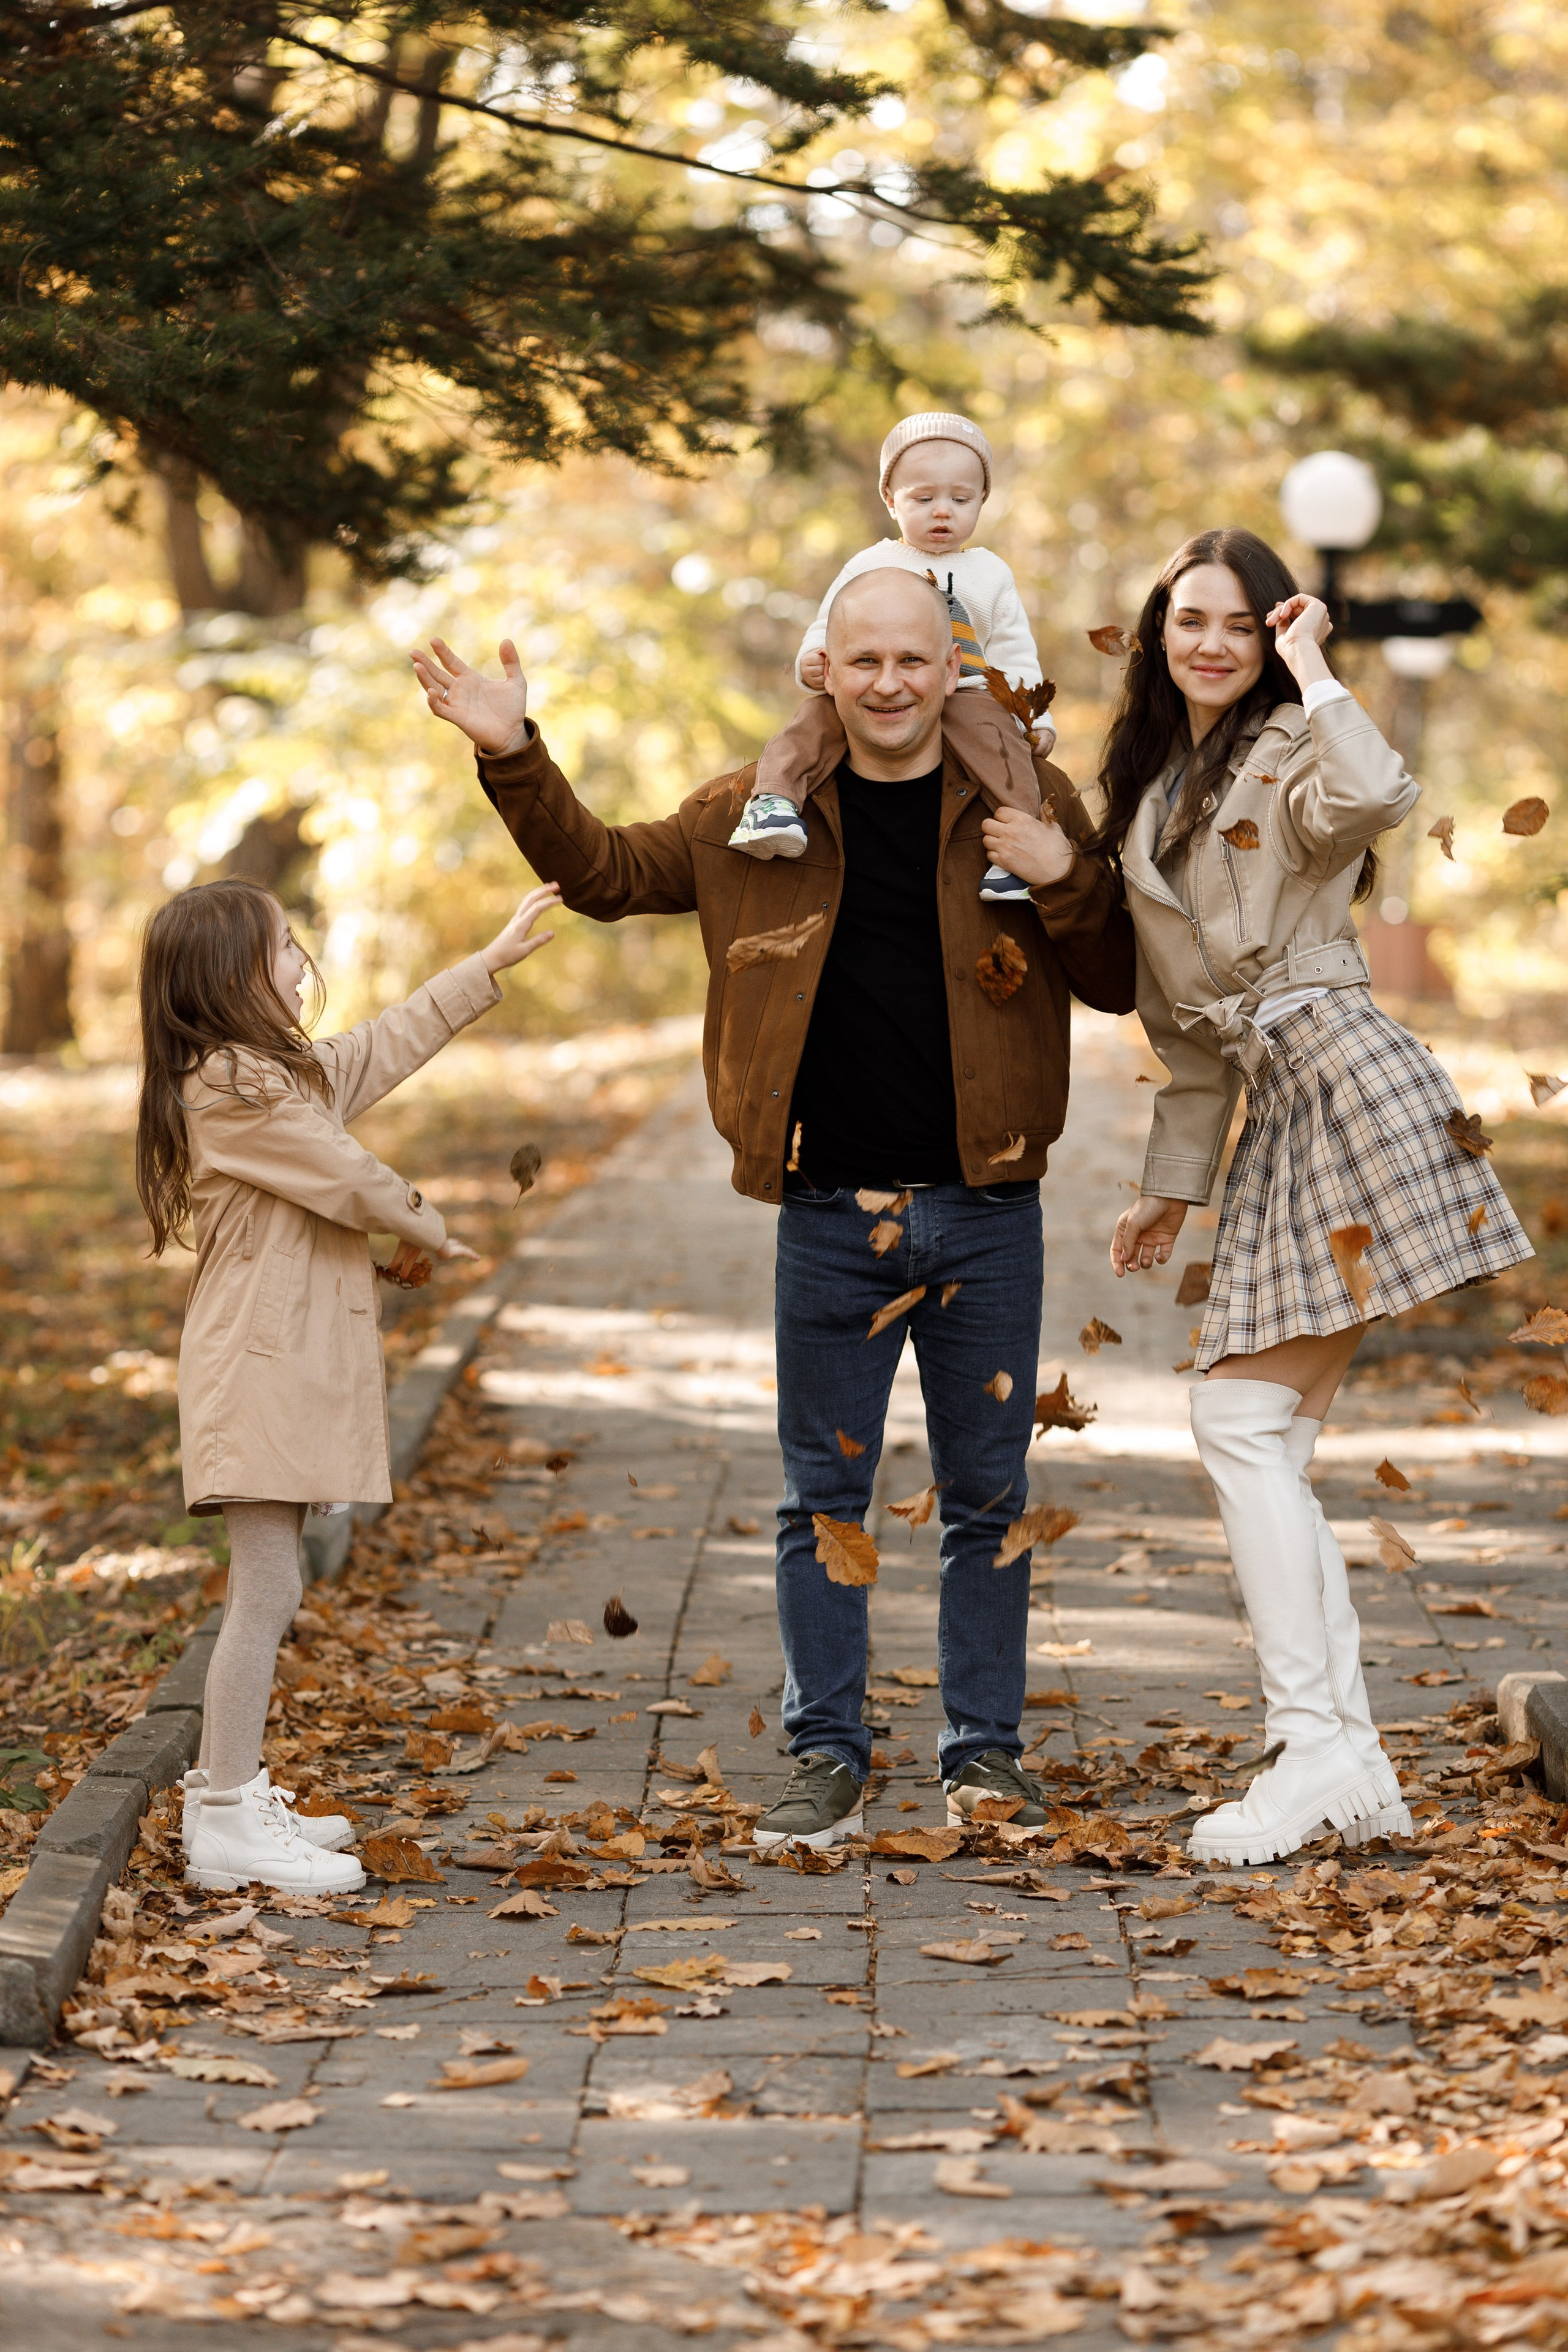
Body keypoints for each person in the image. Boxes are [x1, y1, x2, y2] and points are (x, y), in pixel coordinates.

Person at [410, 566, 1135, 1847]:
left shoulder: (1025, 799)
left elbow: (1115, 976)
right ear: (826, 669)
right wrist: (513, 751)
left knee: (985, 1499)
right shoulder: (761, 814)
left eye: (914, 661)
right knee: (823, 1505)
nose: (889, 685)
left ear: (950, 666)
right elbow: (606, 872)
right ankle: (826, 1756)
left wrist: (1061, 870)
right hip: (826, 1215)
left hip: (985, 1211)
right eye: (863, 663)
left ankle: (982, 1755)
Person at [1098, 526, 1531, 1869]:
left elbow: (1378, 794)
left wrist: (1311, 666)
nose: (1211, 643)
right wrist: (1169, 1194)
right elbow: (1182, 1041)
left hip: (1341, 1070)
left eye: (1237, 623)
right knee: (1257, 1431)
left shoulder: (1290, 750)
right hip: (1272, 1099)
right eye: (1190, 621)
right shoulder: (1146, 794)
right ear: (1157, 632)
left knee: (1235, 1418)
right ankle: (1336, 1759)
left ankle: (1320, 1753)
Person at [137, 874, 560, 1893]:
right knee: (268, 1587)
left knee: (274, 1585)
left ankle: (230, 1796)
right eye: (282, 947)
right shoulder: (229, 1086)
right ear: (233, 976)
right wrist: (425, 1219)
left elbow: (378, 1047)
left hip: (268, 1364)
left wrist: (485, 967)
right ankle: (226, 1819)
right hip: (253, 1366)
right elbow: (338, 1168)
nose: (299, 961)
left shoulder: (268, 1075)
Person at [728, 410, 1058, 902]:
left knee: (1006, 753)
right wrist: (810, 662)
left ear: (982, 501)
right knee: (812, 723)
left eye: (961, 499)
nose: (942, 512)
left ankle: (1015, 855)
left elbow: (1014, 650)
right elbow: (828, 625)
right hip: (871, 693)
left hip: (969, 691)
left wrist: (1034, 716)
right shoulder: (872, 564)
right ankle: (773, 802)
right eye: (924, 499)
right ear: (891, 500)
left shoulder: (991, 573)